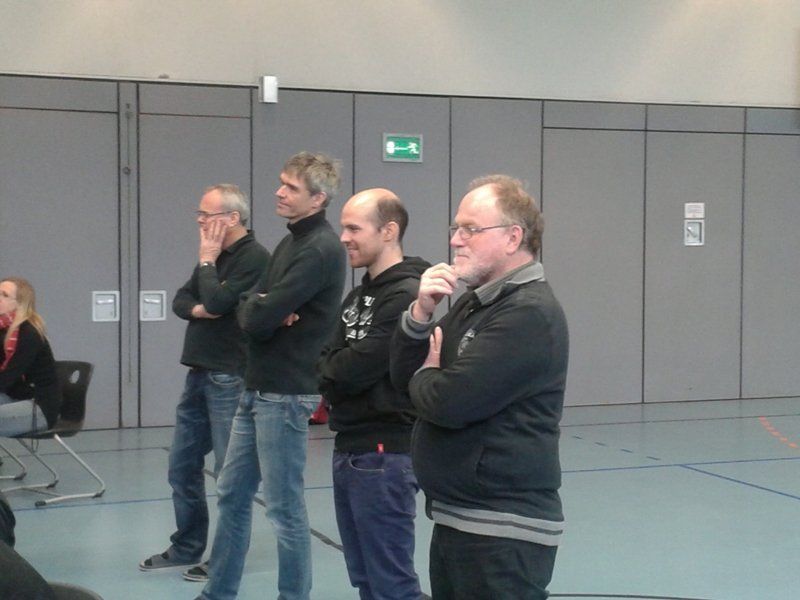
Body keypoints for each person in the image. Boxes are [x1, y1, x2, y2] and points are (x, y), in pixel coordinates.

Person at [390, 175, 569, 600]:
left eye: (470, 229)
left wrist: (427, 378)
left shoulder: (529, 314)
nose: (456, 240)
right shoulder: (476, 303)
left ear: (513, 237)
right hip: (459, 518)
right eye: (456, 228)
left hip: (503, 532)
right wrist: (420, 313)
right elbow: (403, 382)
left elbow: (449, 402)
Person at [197, 152, 347, 600]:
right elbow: (251, 307)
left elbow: (257, 317)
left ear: (318, 199)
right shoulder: (288, 243)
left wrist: (260, 309)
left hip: (285, 393)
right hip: (257, 386)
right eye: (281, 183)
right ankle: (217, 592)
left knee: (283, 508)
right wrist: (260, 306)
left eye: (291, 187)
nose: (279, 192)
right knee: (231, 493)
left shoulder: (319, 249)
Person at [140, 184, 269, 581]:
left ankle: (226, 558)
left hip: (229, 376)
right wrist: (201, 305)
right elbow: (183, 300)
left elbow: (217, 302)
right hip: (198, 373)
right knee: (181, 466)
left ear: (232, 218)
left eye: (206, 214)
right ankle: (187, 545)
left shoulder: (253, 258)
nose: (199, 220)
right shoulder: (213, 259)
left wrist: (208, 265)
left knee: (230, 475)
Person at [318, 189, 428, 599]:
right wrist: (334, 370)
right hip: (349, 447)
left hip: (384, 455)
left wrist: (334, 370)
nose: (344, 237)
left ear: (388, 231)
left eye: (353, 228)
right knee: (364, 576)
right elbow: (326, 361)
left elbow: (357, 368)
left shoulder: (406, 295)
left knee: (390, 581)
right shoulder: (358, 296)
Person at [0, 278, 60, 439]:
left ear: (19, 304)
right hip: (15, 396)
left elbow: (7, 378)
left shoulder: (29, 334)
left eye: (4, 295)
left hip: (39, 406)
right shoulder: (3, 330)